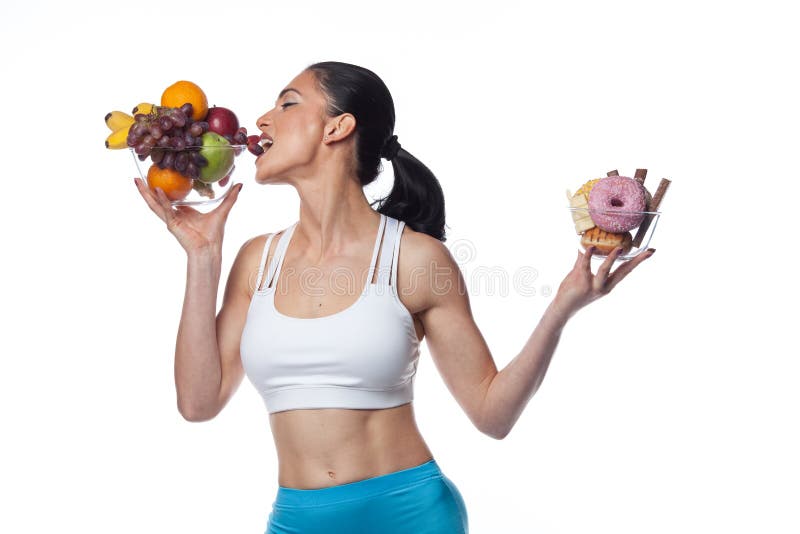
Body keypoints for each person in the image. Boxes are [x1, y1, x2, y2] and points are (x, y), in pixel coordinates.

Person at [133, 61, 654, 534]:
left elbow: (492, 414)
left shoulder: (416, 259)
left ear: (338, 127)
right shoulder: (256, 262)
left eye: (288, 103)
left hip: (409, 514)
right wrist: (202, 259)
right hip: (295, 519)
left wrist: (563, 306)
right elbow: (198, 404)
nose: (263, 120)